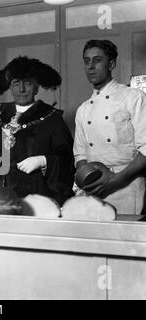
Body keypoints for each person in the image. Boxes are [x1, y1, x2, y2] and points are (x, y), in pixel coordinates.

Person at [74, 39, 146, 215]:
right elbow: (81, 155)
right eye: (87, 61)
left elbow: (145, 149)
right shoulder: (83, 109)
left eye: (97, 60)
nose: (91, 66)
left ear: (112, 64)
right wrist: (87, 182)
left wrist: (115, 180)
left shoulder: (134, 97)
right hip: (94, 190)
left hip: (128, 188)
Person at [0, 56, 75, 205]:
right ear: (10, 88)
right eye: (16, 84)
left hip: (41, 201)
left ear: (36, 87)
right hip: (4, 202)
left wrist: (44, 161)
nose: (21, 89)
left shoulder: (52, 119)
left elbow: (68, 161)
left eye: (27, 83)